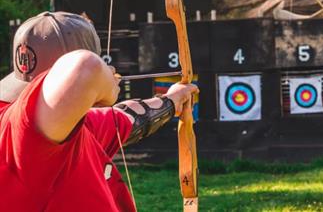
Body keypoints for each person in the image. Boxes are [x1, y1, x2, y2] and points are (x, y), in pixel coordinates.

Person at [0, 12, 199, 212]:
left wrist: (173, 100)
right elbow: (86, 67)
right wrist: (108, 90)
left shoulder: (76, 128)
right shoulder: (21, 133)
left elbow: (130, 118)